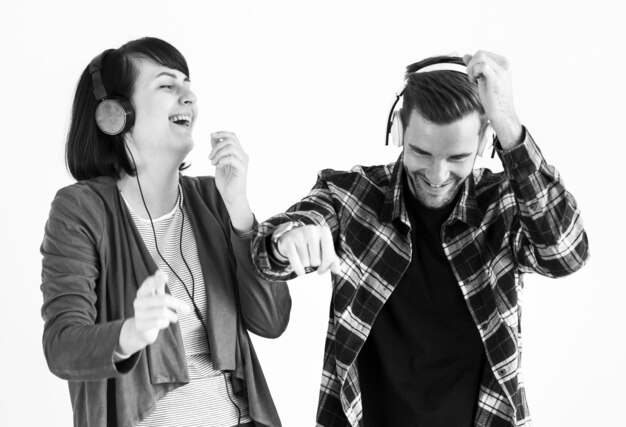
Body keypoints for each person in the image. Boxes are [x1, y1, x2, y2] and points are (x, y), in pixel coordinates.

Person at [250, 51, 589, 426]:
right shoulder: (351, 195)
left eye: (457, 157)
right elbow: (269, 251)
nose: (437, 174)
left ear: (483, 143)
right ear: (398, 133)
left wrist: (507, 122)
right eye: (420, 152)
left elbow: (565, 254)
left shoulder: (504, 206)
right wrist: (290, 239)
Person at [40, 37, 291, 427]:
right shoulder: (82, 210)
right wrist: (131, 332)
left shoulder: (214, 198)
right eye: (167, 85)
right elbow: (61, 347)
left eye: (188, 84)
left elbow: (271, 321)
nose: (188, 96)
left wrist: (240, 211)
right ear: (115, 114)